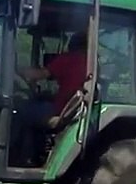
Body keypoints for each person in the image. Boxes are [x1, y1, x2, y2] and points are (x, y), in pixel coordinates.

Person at [12, 32, 89, 163]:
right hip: (74, 109)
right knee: (36, 108)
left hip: (60, 110)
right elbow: (72, 86)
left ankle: (21, 158)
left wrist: (16, 69)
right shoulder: (91, 62)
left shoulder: (69, 59)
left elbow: (40, 74)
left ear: (72, 44)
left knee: (20, 111)